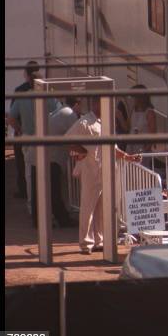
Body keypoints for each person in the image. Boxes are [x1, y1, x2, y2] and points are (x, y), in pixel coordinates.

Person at [67, 97, 141, 254]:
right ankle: (86, 243)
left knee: (102, 207)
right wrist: (81, 152)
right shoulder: (84, 122)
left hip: (106, 171)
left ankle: (99, 240)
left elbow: (112, 147)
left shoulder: (106, 123)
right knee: (88, 207)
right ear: (94, 103)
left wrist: (128, 157)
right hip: (91, 171)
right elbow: (68, 140)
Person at [7, 61, 61, 225]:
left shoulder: (22, 97)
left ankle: (33, 209)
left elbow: (11, 118)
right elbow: (58, 112)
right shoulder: (49, 96)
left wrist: (21, 130)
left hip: (29, 140)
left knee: (31, 175)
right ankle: (49, 208)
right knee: (49, 174)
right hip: (46, 140)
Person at [47, 97, 81, 227]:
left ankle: (60, 216)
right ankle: (62, 219)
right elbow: (77, 136)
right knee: (55, 190)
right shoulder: (70, 114)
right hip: (54, 157)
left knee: (53, 189)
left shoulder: (60, 110)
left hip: (50, 156)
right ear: (76, 104)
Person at [9, 62, 39, 199]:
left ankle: (24, 191)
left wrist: (19, 130)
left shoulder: (20, 91)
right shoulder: (46, 89)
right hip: (42, 134)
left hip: (24, 134)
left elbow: (12, 117)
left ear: (26, 74)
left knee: (22, 165)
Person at [126, 84, 156, 157]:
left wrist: (147, 148)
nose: (132, 99)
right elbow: (128, 127)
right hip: (131, 146)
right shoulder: (133, 110)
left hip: (142, 147)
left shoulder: (149, 112)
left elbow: (152, 131)